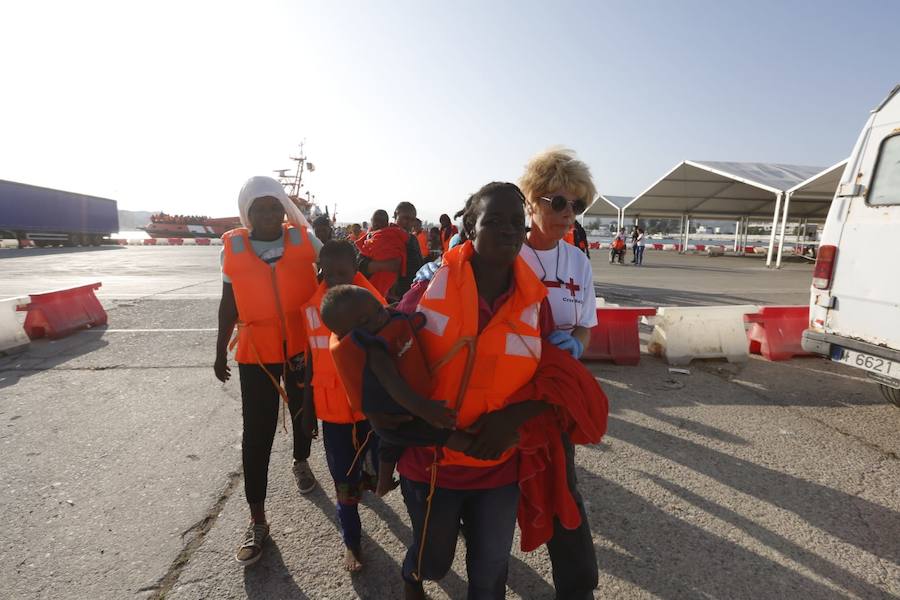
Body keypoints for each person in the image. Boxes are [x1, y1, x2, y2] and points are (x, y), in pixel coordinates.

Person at [391, 182, 556, 600]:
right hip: (432, 462)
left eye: (516, 224)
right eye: (494, 221)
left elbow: (552, 379)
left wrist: (511, 418)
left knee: (489, 571)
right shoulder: (428, 290)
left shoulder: (536, 302)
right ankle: (413, 576)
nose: (507, 231)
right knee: (434, 561)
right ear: (470, 225)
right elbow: (385, 363)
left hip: (497, 465)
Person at [214, 176, 323, 567]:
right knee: (255, 434)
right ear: (247, 213)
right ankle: (257, 519)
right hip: (255, 352)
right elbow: (228, 304)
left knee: (302, 414)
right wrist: (218, 352)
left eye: (273, 207)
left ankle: (301, 461)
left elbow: (336, 271)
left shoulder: (304, 241)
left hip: (299, 347)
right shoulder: (233, 249)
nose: (267, 215)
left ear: (283, 209)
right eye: (258, 209)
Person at [518, 147, 600, 599]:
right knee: (496, 493)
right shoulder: (506, 251)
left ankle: (577, 588)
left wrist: (574, 348)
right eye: (558, 202)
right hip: (505, 394)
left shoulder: (578, 262)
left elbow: (586, 327)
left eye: (578, 205)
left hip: (554, 398)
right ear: (531, 199)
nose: (569, 215)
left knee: (561, 488)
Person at [320, 284, 474, 498]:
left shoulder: (382, 326)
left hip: (389, 420)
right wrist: (425, 409)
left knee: (389, 445)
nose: (380, 318)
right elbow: (394, 384)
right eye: (366, 321)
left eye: (379, 308)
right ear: (346, 333)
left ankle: (383, 483)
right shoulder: (373, 350)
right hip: (400, 415)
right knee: (441, 433)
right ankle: (475, 447)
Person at [299, 240, 385, 572]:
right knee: (343, 480)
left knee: (379, 475)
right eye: (328, 272)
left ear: (356, 268)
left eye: (343, 272)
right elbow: (310, 360)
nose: (335, 279)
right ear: (319, 269)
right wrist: (307, 408)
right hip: (332, 411)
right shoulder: (311, 308)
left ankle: (368, 480)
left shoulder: (376, 306)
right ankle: (352, 541)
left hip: (370, 409)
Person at [355, 209, 409, 299]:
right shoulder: (371, 236)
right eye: (375, 221)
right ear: (371, 221)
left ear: (386, 223)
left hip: (389, 286)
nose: (377, 224)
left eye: (381, 221)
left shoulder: (392, 236)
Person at [389, 202, 425, 301]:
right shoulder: (385, 235)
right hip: (388, 297)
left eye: (412, 220)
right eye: (405, 218)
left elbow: (418, 266)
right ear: (396, 215)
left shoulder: (412, 239)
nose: (409, 223)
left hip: (409, 295)